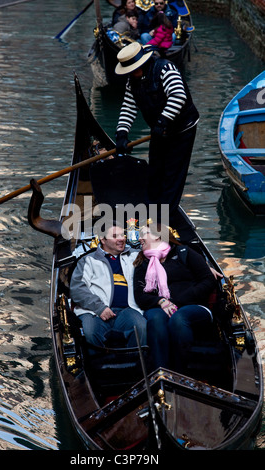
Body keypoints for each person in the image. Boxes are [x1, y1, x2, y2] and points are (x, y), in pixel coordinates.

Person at [115, 41, 199, 232]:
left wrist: (162, 122)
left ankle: (163, 224)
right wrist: (121, 134)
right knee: (155, 173)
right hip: (159, 131)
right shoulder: (132, 80)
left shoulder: (164, 68)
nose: (130, 72)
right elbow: (128, 107)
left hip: (182, 129)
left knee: (171, 175)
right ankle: (151, 216)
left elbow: (179, 96)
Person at [133, 222, 217, 372]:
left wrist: (178, 301)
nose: (140, 239)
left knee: (178, 318)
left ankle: (181, 373)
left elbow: (208, 280)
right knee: (155, 319)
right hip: (159, 307)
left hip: (194, 305)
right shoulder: (142, 263)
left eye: (144, 234)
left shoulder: (184, 252)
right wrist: (161, 300)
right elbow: (140, 296)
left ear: (158, 236)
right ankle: (161, 372)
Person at [70, 221, 147, 352]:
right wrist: (100, 308)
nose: (122, 239)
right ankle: (96, 368)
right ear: (103, 239)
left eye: (123, 235)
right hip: (94, 312)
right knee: (90, 332)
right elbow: (77, 289)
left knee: (140, 326)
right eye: (115, 236)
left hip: (127, 310)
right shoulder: (88, 260)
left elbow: (154, 252)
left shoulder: (135, 256)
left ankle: (136, 365)